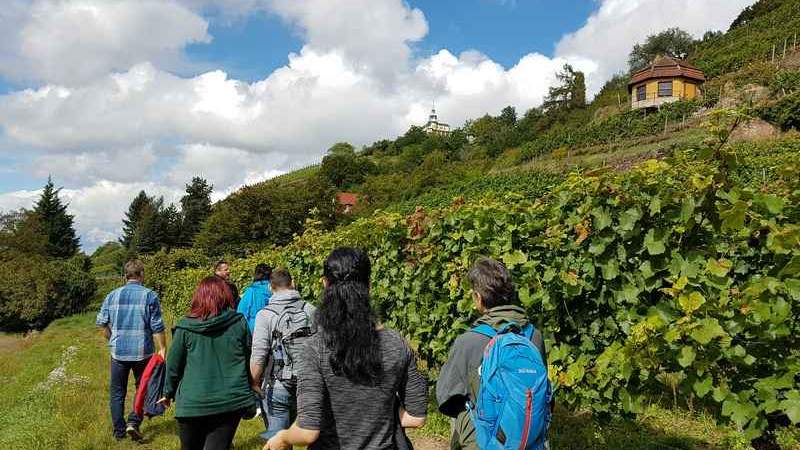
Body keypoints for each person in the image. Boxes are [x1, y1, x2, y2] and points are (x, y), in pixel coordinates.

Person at [264, 247, 428, 450]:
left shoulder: (315, 348)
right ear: (368, 286)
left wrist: (282, 437)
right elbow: (416, 417)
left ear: (325, 284)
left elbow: (307, 431)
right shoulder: (397, 343)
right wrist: (380, 411)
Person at [436, 257, 550, 450]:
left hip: (484, 441)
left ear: (478, 298)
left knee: (462, 413)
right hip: (530, 439)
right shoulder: (533, 336)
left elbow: (446, 397)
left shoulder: (469, 341)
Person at [158, 276, 256, 450]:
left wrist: (168, 392)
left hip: (192, 404)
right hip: (229, 402)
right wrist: (252, 383)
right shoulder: (238, 322)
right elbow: (248, 357)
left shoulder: (185, 328)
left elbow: (173, 365)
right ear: (226, 296)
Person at [96, 259, 167, 441]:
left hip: (118, 352)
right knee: (142, 388)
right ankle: (133, 423)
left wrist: (111, 337)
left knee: (117, 392)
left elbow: (102, 323)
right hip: (142, 351)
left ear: (124, 276)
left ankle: (119, 433)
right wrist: (162, 348)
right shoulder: (149, 295)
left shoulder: (111, 295)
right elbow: (157, 326)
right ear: (141, 274)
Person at [250, 268, 316, 440]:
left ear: (270, 287)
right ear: (292, 283)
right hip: (309, 383)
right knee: (311, 438)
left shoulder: (265, 315)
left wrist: (254, 382)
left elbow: (259, 353)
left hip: (277, 383)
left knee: (278, 439)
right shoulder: (310, 309)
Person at [238, 263, 273, 333]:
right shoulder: (274, 290)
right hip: (272, 327)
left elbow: (241, 313)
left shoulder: (252, 290)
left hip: (254, 330)